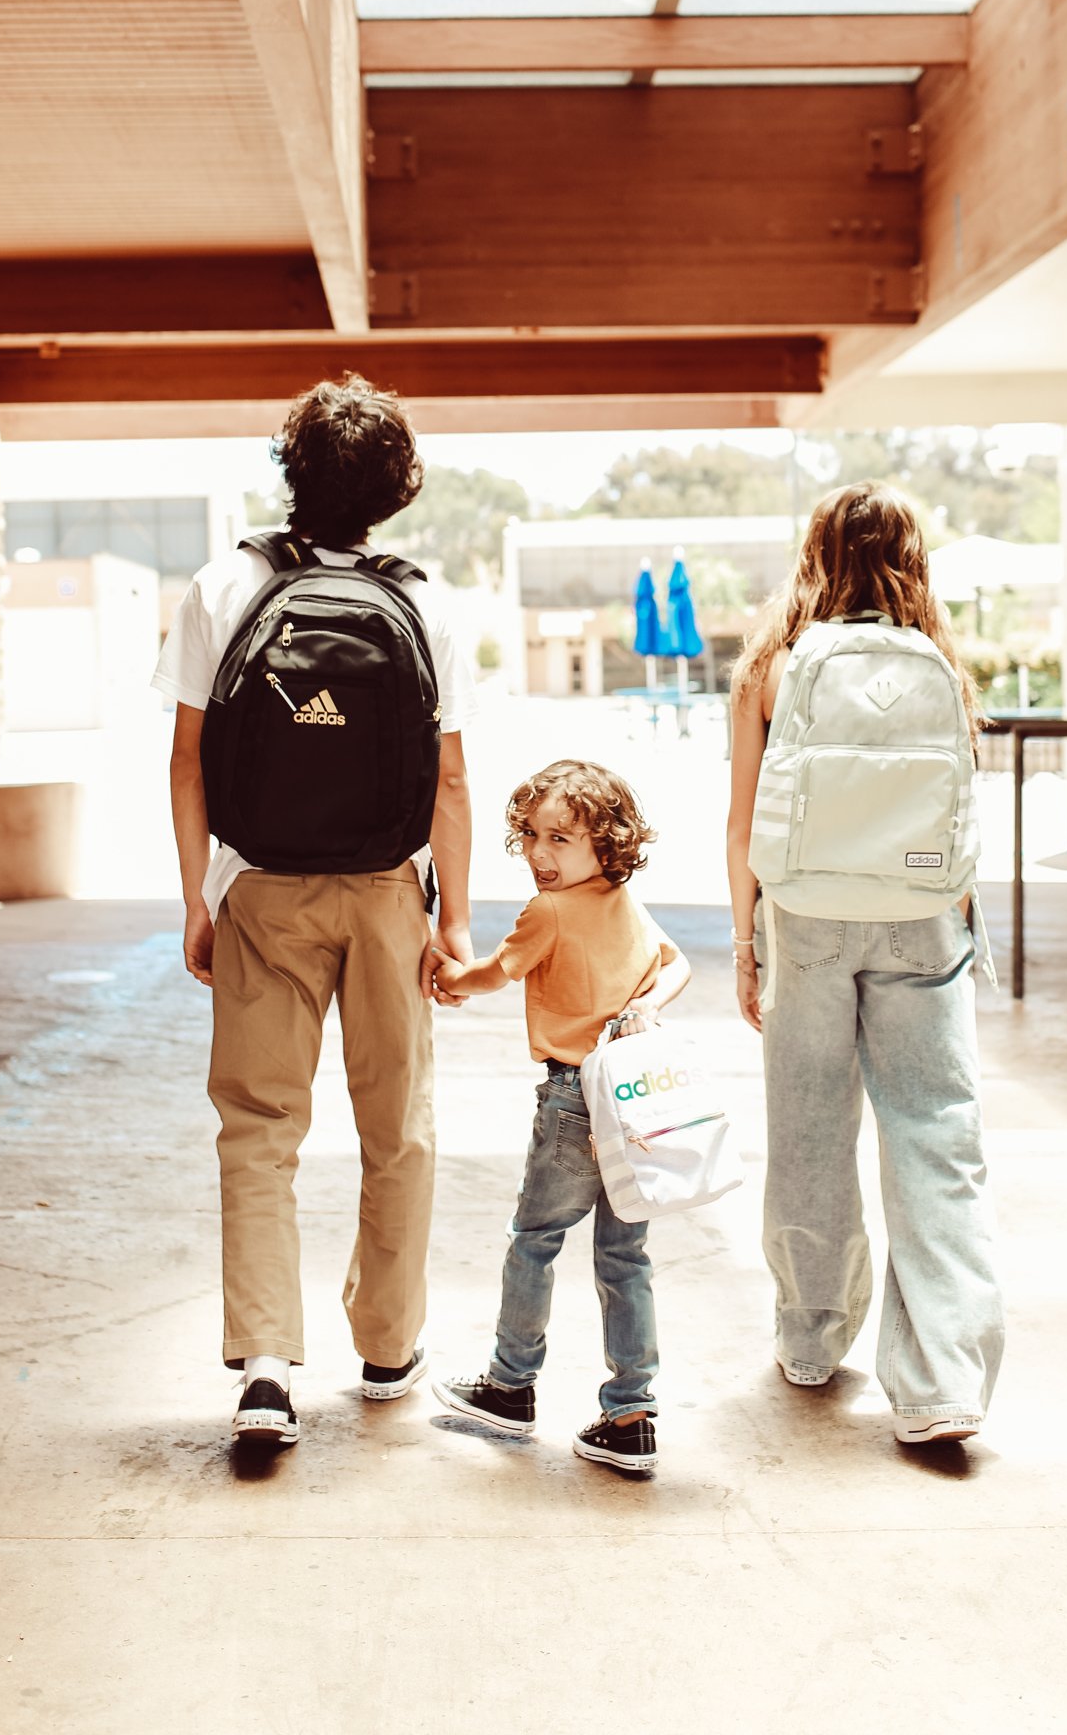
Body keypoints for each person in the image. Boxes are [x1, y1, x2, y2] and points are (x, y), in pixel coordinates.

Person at [155, 374, 475, 1448]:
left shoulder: (223, 585)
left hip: (263, 888)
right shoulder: (426, 602)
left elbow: (188, 762)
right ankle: (387, 1347)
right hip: (389, 891)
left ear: (292, 474)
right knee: (399, 1126)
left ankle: (262, 1367)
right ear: (395, 489)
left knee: (257, 1129)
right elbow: (453, 781)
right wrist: (455, 921)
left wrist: (201, 897)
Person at [725, 483, 1006, 1449]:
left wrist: (744, 942)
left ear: (813, 555)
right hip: (922, 919)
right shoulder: (940, 665)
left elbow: (740, 824)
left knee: (807, 1126)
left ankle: (810, 1339)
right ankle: (941, 1382)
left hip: (804, 917)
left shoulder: (772, 665)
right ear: (912, 559)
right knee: (935, 1136)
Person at [430, 759, 691, 1476]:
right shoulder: (621, 900)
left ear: (607, 844)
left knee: (535, 1239)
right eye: (531, 838)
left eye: (561, 839)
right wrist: (644, 1008)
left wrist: (449, 977)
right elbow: (677, 966)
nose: (541, 855)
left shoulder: (547, 912)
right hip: (634, 1100)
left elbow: (494, 973)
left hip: (575, 1096)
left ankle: (509, 1386)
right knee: (623, 1256)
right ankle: (630, 1414)